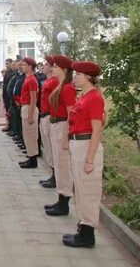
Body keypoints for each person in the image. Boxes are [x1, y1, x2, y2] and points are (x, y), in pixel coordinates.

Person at [62, 61, 104, 248]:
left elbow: (97, 130)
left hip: (87, 145)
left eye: (78, 74)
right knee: (81, 189)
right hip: (78, 143)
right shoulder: (85, 95)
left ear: (88, 77)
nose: (75, 77)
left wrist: (89, 159)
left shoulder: (94, 97)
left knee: (88, 191)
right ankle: (84, 228)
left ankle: (87, 235)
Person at [45, 55, 76, 216]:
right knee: (59, 163)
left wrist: (66, 137)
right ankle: (60, 199)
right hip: (57, 124)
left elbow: (71, 114)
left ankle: (64, 203)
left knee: (63, 165)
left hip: (63, 126)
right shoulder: (61, 86)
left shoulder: (68, 88)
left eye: (56, 67)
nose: (53, 68)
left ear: (64, 70)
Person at [38, 56, 58, 189]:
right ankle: (53, 174)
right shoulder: (48, 81)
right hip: (44, 115)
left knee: (52, 148)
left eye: (46, 65)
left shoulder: (54, 82)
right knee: (48, 148)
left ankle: (55, 177)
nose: (43, 67)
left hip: (49, 116)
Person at [18, 57, 39, 169]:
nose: (22, 66)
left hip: (29, 108)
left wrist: (31, 116)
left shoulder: (31, 80)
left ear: (30, 67)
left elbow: (33, 99)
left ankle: (33, 159)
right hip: (25, 107)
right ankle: (30, 157)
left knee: (31, 135)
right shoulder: (28, 78)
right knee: (27, 135)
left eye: (25, 65)